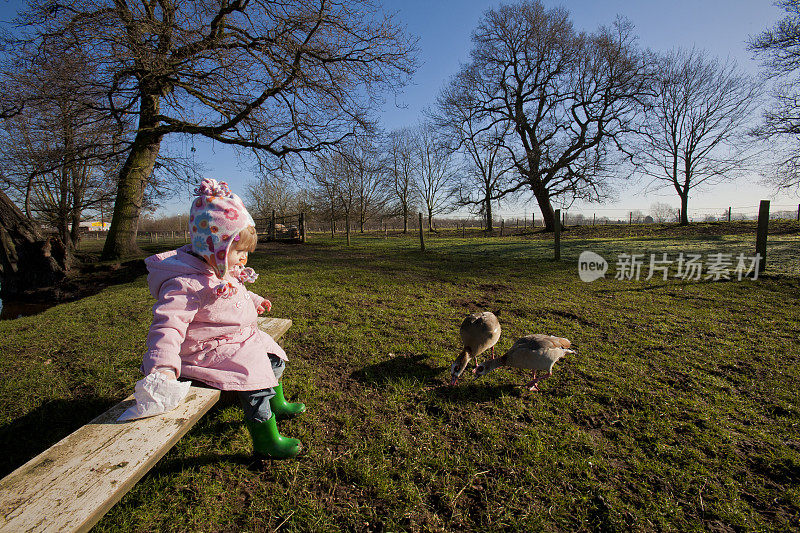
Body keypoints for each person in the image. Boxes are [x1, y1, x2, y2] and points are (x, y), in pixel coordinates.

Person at [141, 178, 305, 460]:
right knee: (256, 379)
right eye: (238, 251)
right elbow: (167, 327)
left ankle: (276, 403)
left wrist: (255, 300)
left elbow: (235, 293)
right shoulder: (185, 284)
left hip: (238, 338)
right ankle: (266, 438)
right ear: (214, 246)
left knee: (274, 358)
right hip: (208, 350)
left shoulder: (217, 267)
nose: (243, 259)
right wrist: (163, 367)